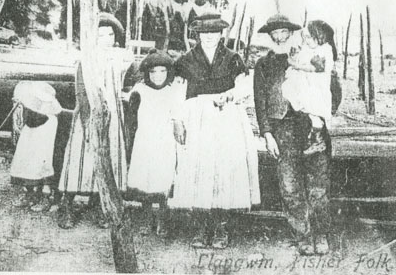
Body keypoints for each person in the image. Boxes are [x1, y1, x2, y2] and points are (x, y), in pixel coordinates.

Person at [168, 13, 260, 249]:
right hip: (196, 117)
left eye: (214, 33)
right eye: (204, 34)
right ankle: (200, 227)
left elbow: (243, 86)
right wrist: (177, 120)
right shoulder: (186, 60)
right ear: (198, 35)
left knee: (224, 167)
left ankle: (220, 228)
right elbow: (178, 92)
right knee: (198, 167)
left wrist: (230, 94)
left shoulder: (232, 58)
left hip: (226, 116)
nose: (209, 38)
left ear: (221, 35)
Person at [253, 13, 332, 256]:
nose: (279, 36)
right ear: (270, 36)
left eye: (283, 31)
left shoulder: (309, 56)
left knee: (318, 185)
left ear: (291, 32)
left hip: (311, 127)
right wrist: (267, 133)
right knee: (289, 186)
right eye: (274, 32)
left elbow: (332, 87)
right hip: (282, 130)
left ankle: (321, 234)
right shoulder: (263, 64)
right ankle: (303, 235)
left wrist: (320, 116)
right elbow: (260, 100)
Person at [57, 14, 133, 229]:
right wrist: (87, 119)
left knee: (111, 157)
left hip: (114, 115)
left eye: (110, 34)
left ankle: (103, 205)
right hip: (89, 112)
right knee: (80, 158)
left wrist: (129, 93)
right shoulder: (86, 59)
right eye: (101, 35)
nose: (106, 39)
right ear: (93, 38)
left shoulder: (122, 58)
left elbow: (134, 79)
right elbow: (81, 90)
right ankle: (67, 204)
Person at [126, 49, 182, 236]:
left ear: (169, 73)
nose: (158, 76)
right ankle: (146, 218)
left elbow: (177, 116)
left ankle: (162, 219)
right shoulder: (140, 90)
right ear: (147, 74)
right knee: (145, 180)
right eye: (153, 72)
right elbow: (131, 117)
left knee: (163, 179)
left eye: (162, 72)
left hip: (164, 142)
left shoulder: (173, 91)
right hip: (145, 141)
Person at [282, 20, 337, 155]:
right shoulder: (308, 48)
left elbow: (316, 68)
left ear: (319, 36)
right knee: (306, 107)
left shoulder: (325, 50)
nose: (305, 40)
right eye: (304, 37)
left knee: (314, 110)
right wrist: (296, 57)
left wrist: (297, 66)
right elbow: (302, 58)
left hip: (316, 87)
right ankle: (315, 138)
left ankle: (318, 141)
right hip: (306, 85)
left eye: (308, 37)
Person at [10, 81, 62, 212]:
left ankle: (46, 197)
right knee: (25, 159)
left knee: (42, 161)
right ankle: (31, 194)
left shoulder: (49, 116)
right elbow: (30, 118)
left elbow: (42, 117)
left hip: (43, 132)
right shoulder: (31, 111)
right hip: (32, 130)